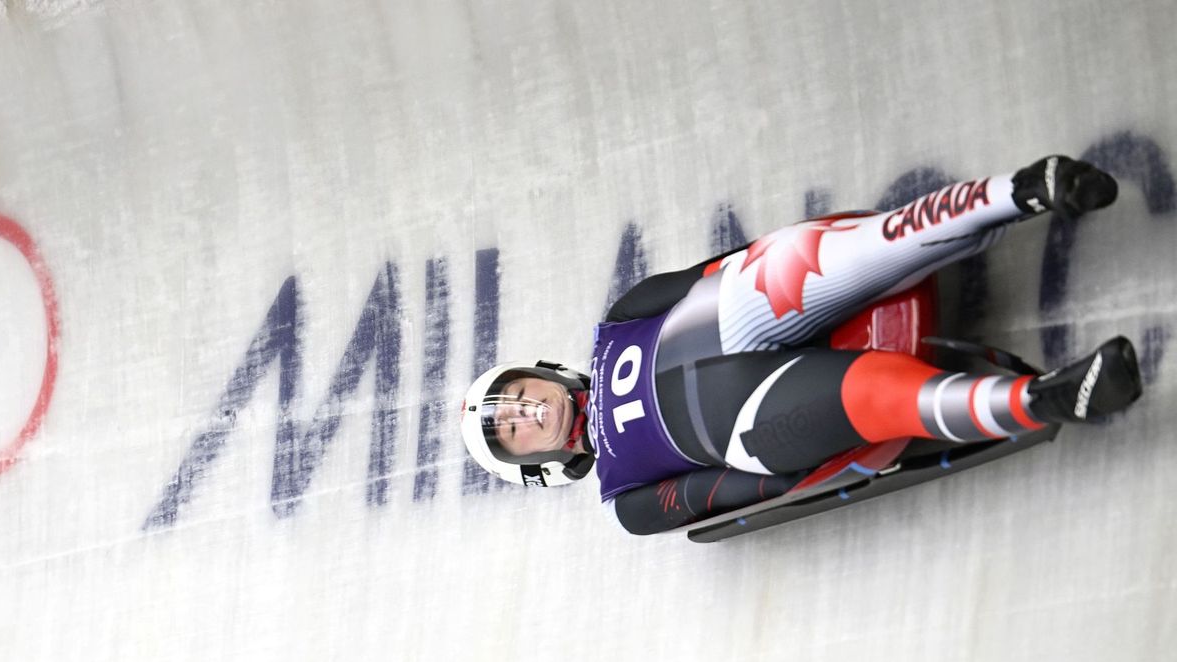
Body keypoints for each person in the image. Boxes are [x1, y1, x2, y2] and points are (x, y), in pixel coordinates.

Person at [460, 155, 1145, 535]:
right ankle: (1045, 399)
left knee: (809, 259)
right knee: (872, 395)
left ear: (541, 373)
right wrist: (805, 470)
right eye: (513, 430)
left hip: (740, 313)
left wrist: (793, 248)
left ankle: (1021, 191)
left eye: (514, 396)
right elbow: (720, 493)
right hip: (748, 420)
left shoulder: (620, 320)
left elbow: (720, 269)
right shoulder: (628, 501)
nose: (523, 411)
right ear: (538, 463)